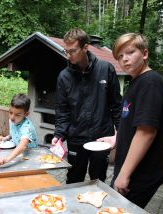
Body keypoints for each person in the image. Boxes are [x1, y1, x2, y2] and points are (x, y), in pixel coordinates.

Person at [100, 33, 163, 208]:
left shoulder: (150, 83)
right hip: (132, 168)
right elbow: (133, 123)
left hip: (142, 171)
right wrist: (117, 138)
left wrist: (124, 174)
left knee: (117, 210)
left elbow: (146, 132)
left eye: (130, 52)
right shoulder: (136, 82)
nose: (124, 59)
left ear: (144, 53)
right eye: (120, 56)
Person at [52, 28, 122, 184]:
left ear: (85, 47)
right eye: (66, 51)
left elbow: (117, 105)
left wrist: (121, 134)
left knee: (98, 180)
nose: (69, 55)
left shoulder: (106, 69)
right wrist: (59, 135)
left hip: (101, 137)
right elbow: (62, 110)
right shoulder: (64, 76)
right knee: (74, 179)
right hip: (76, 137)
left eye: (73, 51)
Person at [0, 94, 38, 165]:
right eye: (10, 112)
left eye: (17, 115)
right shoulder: (13, 120)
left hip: (31, 156)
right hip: (19, 153)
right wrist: (7, 138)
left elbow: (22, 146)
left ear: (26, 114)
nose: (12, 117)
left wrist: (6, 159)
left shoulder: (27, 127)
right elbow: (15, 133)